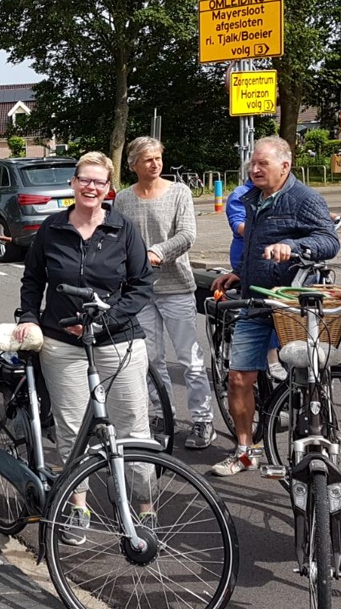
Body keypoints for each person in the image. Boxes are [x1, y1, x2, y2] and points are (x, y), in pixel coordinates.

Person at [13, 151, 157, 543]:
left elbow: (141, 285)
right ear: (73, 184)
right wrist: (28, 316)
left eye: (99, 182)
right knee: (73, 428)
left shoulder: (122, 229)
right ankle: (78, 505)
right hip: (62, 344)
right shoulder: (51, 229)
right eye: (84, 180)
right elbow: (32, 279)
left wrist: (104, 319)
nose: (91, 187)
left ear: (108, 189)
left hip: (118, 342)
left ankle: (143, 509)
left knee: (132, 428)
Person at [209, 136, 340, 476]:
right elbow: (253, 245)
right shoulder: (252, 198)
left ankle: (314, 447)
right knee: (238, 378)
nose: (254, 169)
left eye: (262, 164)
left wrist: (292, 245)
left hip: (292, 305)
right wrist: (238, 273)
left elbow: (329, 241)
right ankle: (244, 452)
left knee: (306, 379)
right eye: (252, 163)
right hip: (255, 299)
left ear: (285, 166)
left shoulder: (304, 198)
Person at [114, 137, 213, 450]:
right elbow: (118, 237)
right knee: (151, 361)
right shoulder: (123, 200)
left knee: (189, 359)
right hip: (140, 290)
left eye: (158, 158)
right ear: (133, 165)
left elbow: (186, 235)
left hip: (176, 287)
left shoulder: (179, 193)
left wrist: (157, 251)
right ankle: (163, 415)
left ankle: (202, 419)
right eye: (147, 160)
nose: (155, 164)